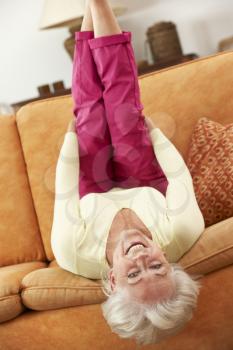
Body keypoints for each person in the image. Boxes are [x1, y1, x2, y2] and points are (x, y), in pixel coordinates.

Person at [51, 0, 205, 345]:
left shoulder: (71, 252)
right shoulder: (182, 230)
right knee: (122, 108)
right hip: (145, 179)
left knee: (88, 108)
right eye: (157, 267)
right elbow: (180, 178)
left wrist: (71, 137)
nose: (140, 256)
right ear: (170, 262)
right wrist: (152, 132)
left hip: (90, 185)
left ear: (113, 282)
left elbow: (65, 191)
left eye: (134, 273)